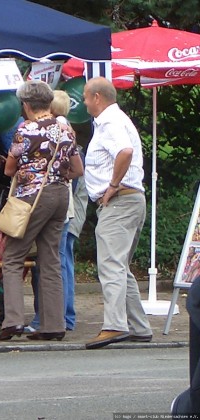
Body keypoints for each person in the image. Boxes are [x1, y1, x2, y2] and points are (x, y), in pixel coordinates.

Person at [0, 80, 83, 342]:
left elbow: (10, 169)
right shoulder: (65, 128)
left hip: (33, 198)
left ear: (27, 105)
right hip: (60, 196)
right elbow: (77, 170)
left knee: (12, 257)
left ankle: (12, 321)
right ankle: (54, 325)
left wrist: (28, 171)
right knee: (51, 259)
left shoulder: (26, 130)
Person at [82, 77, 153, 349]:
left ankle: (114, 325)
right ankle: (139, 326)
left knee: (110, 265)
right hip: (132, 200)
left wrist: (111, 186)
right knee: (120, 266)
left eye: (87, 98)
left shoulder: (110, 122)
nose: (85, 103)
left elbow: (125, 151)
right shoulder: (118, 119)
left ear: (97, 97)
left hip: (120, 201)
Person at [0, 120, 40, 330]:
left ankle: (32, 314)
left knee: (27, 255)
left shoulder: (34, 128)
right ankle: (4, 309)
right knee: (1, 252)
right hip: (2, 197)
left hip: (26, 198)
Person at [51, 90, 88, 331]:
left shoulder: (59, 132)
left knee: (60, 261)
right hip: (73, 208)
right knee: (66, 261)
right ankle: (68, 315)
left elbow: (72, 177)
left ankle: (63, 316)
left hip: (66, 209)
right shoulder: (70, 131)